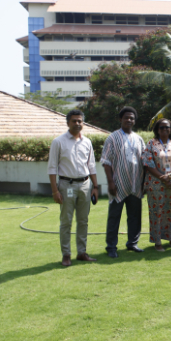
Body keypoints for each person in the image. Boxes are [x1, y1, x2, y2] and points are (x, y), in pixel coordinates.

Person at [47, 109, 100, 266]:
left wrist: (95, 186)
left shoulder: (87, 142)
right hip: (67, 185)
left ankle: (82, 252)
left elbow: (91, 166)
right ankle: (66, 255)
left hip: (85, 184)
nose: (77, 123)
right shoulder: (59, 142)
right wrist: (55, 191)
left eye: (80, 121)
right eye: (74, 121)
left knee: (83, 220)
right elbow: (52, 168)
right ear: (68, 123)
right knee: (66, 221)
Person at [100, 106, 146, 258]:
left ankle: (132, 243)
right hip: (118, 184)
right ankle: (111, 247)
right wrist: (111, 183)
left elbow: (145, 161)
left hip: (135, 184)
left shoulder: (139, 139)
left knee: (135, 216)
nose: (129, 120)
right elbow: (106, 161)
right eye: (126, 117)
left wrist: (144, 182)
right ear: (120, 119)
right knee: (114, 217)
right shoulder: (112, 138)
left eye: (132, 118)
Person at [142, 119, 171, 252]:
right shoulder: (151, 144)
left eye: (167, 127)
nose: (164, 130)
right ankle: (157, 242)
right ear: (157, 129)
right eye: (161, 127)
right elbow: (148, 164)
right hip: (156, 184)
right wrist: (163, 177)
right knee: (157, 212)